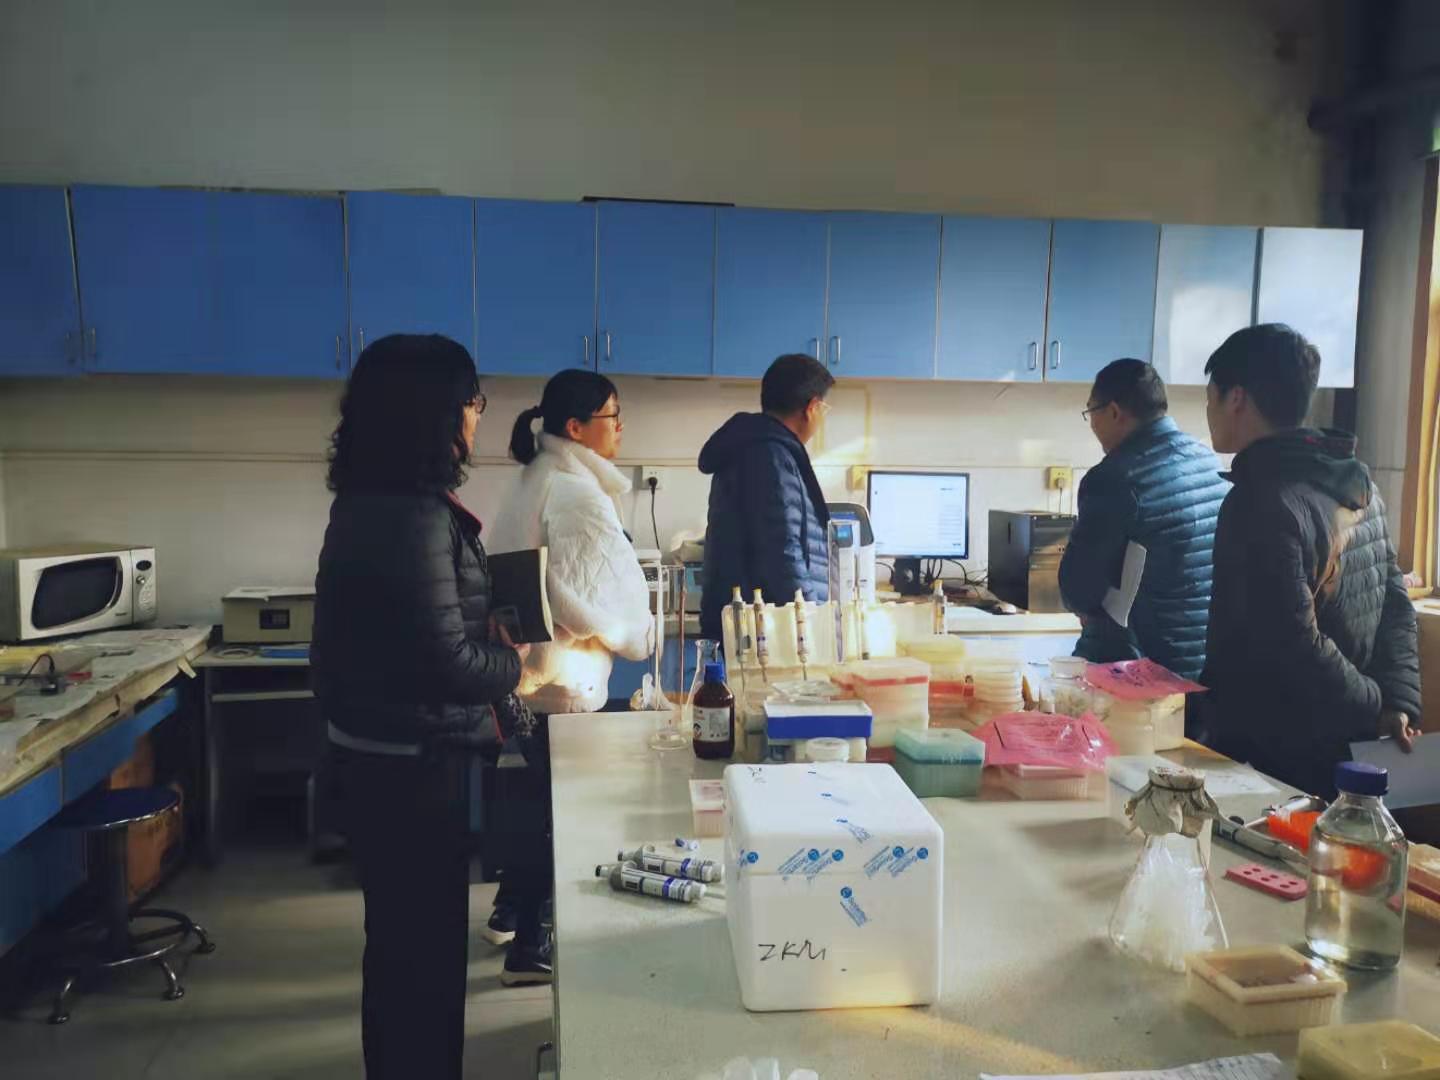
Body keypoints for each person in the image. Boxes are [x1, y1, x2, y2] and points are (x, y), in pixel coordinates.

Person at [312, 334, 527, 1079]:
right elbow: (447, 662)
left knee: (402, 951)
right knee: (423, 962)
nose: (477, 417)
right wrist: (516, 665)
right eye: (473, 402)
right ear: (436, 412)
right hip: (415, 770)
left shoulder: (366, 501)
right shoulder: (413, 514)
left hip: (385, 758)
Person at [1201, 323, 1421, 798]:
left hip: (1275, 750)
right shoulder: (1357, 483)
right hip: (1347, 746)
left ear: (1236, 398)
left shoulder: (1260, 501)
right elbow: (1396, 604)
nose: (1208, 411)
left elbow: (1293, 644)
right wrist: (1395, 702)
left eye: (1210, 397)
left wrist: (1378, 705)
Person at [484, 369, 653, 984]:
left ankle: (511, 914)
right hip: (563, 680)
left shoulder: (535, 476)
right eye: (612, 415)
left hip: (528, 676)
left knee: (534, 801)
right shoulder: (577, 493)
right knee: (560, 815)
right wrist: (635, 632)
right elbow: (595, 600)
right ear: (577, 428)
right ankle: (532, 944)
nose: (621, 426)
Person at [1059, 359, 1229, 682]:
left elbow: (1079, 591)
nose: (1092, 424)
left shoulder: (1114, 478)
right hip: (1202, 666)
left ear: (1113, 412)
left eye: (1091, 412)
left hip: (1135, 672)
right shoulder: (1208, 461)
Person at [699, 353, 834, 641]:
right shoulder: (770, 455)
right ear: (811, 407)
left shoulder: (761, 447)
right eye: (824, 408)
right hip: (764, 631)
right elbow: (782, 550)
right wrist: (809, 625)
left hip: (756, 623)